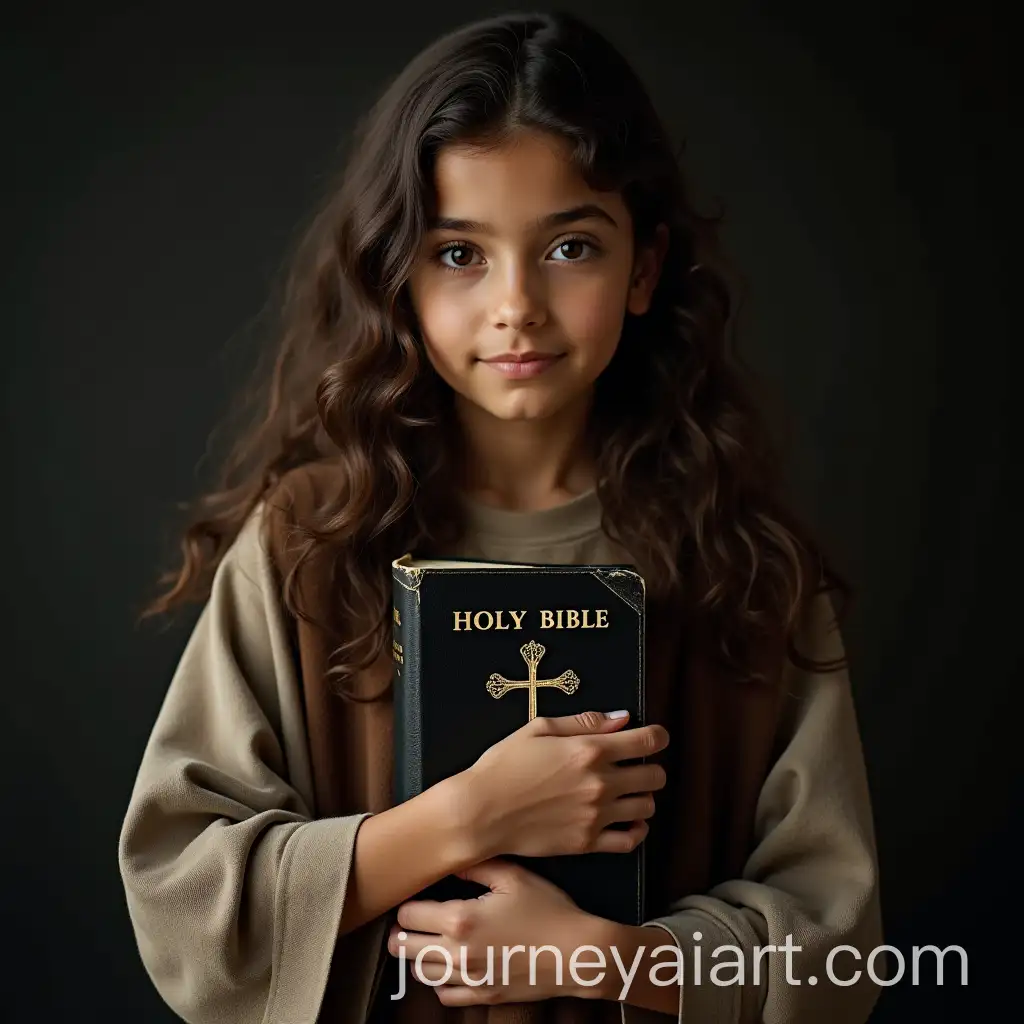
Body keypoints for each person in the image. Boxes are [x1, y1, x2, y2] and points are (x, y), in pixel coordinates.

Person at [118, 10, 884, 1023]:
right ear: (396, 274)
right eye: (458, 253)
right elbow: (182, 898)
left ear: (643, 268)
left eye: (570, 246)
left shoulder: (748, 569)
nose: (516, 304)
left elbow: (838, 949)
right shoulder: (308, 548)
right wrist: (462, 819)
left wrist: (605, 958)